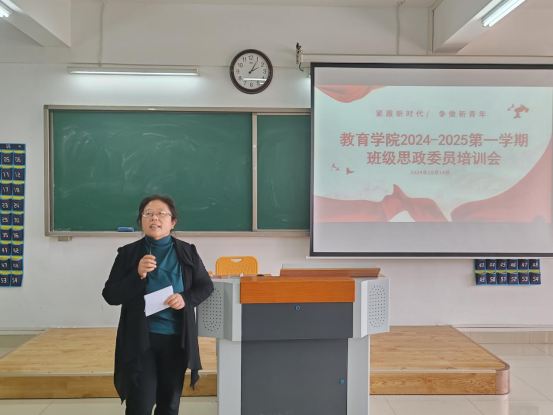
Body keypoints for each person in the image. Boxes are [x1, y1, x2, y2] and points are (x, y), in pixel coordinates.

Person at [102, 195, 214, 415]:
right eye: (148, 213)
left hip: (176, 338)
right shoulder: (128, 254)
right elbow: (111, 295)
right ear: (141, 221)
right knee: (140, 405)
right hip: (140, 339)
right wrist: (137, 275)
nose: (154, 218)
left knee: (169, 405)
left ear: (173, 222)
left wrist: (185, 298)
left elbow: (205, 286)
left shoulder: (187, 252)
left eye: (161, 213)